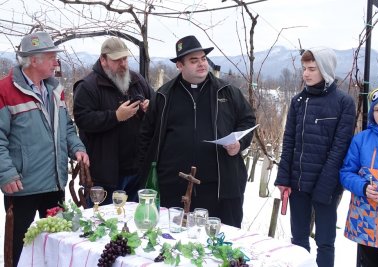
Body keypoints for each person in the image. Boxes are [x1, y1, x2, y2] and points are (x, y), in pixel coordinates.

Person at [138, 35, 256, 228]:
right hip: (172, 187)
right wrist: (148, 175)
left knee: (218, 245)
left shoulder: (227, 92)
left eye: (203, 59)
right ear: (179, 65)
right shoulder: (163, 96)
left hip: (218, 186)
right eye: (194, 61)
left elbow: (247, 120)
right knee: (173, 242)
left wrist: (239, 144)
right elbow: (146, 136)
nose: (202, 64)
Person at [0, 31, 89, 267]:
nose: (55, 62)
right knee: (19, 250)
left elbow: (67, 127)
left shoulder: (55, 89)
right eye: (51, 57)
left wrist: (77, 148)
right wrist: (6, 173)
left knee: (57, 246)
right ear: (33, 60)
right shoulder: (4, 91)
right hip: (22, 187)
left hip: (54, 184)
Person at [274, 47, 356, 267]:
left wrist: (325, 187)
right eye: (304, 69)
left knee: (325, 241)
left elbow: (340, 148)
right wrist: (283, 178)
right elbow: (288, 141)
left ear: (326, 70)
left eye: (312, 69)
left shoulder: (343, 103)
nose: (306, 74)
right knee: (298, 241)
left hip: (326, 185)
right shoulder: (298, 101)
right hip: (298, 183)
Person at [73, 37, 154, 205]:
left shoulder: (137, 80)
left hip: (136, 170)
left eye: (125, 59)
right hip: (104, 176)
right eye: (117, 60)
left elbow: (156, 105)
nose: (123, 64)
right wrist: (115, 117)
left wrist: (149, 107)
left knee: (132, 225)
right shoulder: (88, 86)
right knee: (103, 226)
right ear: (103, 60)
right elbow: (82, 119)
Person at [340, 82, 378, 267]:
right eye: (377, 109)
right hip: (365, 220)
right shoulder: (361, 139)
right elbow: (346, 173)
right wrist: (363, 187)